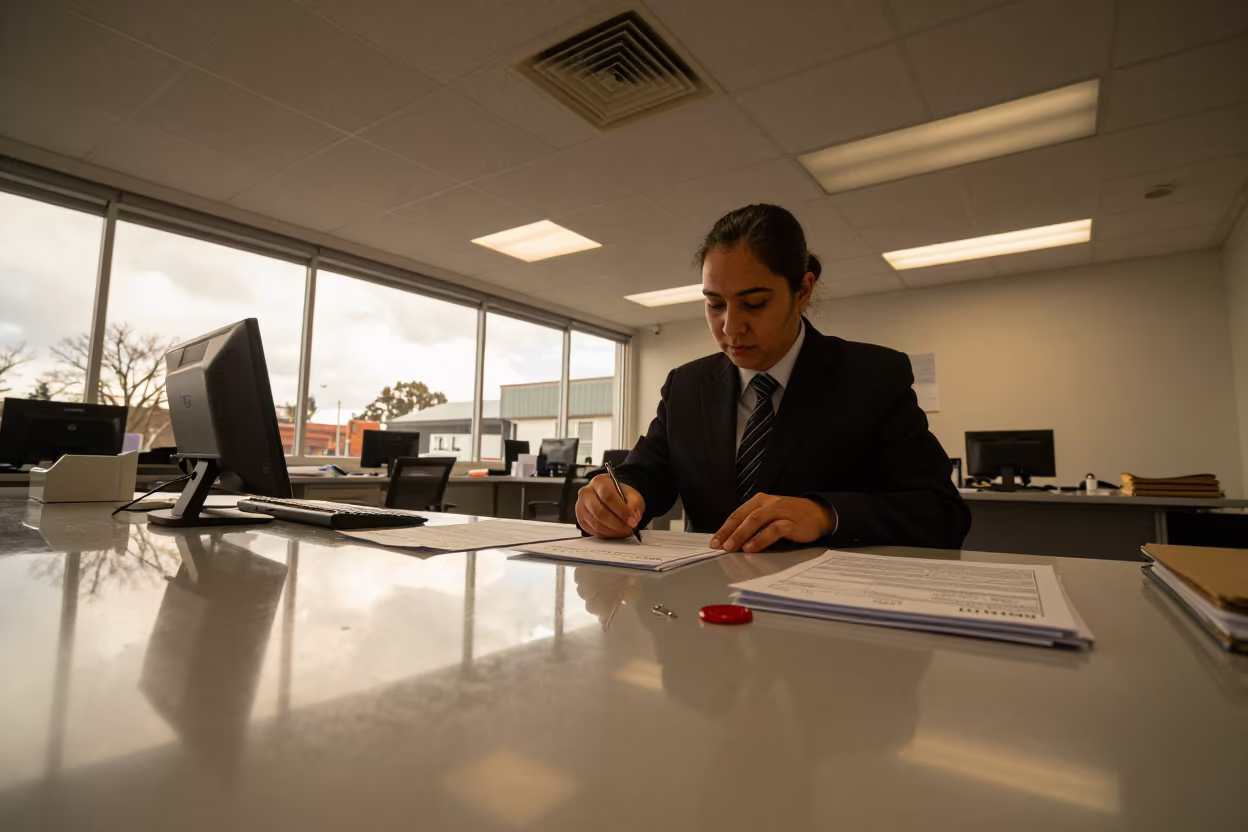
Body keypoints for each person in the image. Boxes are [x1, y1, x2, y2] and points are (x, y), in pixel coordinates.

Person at [575, 203, 970, 551]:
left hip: (825, 611)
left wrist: (825, 514)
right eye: (714, 304)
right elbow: (646, 474)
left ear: (802, 291)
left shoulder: (873, 377)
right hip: (702, 602)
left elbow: (941, 512)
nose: (730, 328)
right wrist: (613, 495)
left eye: (754, 304)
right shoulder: (687, 385)